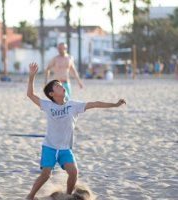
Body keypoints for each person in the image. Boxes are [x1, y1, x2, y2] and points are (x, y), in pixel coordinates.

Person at [26, 62, 126, 200]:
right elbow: (30, 94)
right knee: (46, 174)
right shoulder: (47, 105)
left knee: (73, 173)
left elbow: (95, 103)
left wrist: (115, 105)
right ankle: (30, 196)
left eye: (61, 85)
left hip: (65, 148)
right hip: (49, 146)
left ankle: (67, 196)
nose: (61, 86)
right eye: (57, 86)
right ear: (52, 94)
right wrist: (32, 76)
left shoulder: (73, 105)